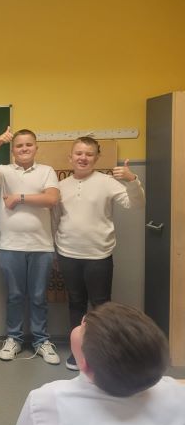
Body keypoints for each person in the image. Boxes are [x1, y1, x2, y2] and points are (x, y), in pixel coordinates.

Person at [5, 302, 185, 425]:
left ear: (86, 364)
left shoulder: (45, 401)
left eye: (82, 328)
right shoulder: (179, 395)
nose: (82, 321)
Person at [53, 137, 145, 370]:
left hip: (99, 255)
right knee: (75, 303)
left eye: (89, 154)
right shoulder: (61, 186)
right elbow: (55, 220)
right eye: (79, 153)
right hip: (67, 253)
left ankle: (102, 354)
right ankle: (78, 352)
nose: (83, 158)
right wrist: (55, 250)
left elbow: (135, 204)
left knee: (101, 306)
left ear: (96, 158)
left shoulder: (107, 182)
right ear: (70, 157)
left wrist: (132, 180)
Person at [0, 127, 60, 364]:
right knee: (15, 296)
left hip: (41, 246)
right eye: (19, 146)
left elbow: (52, 198)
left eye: (28, 145)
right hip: (10, 245)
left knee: (38, 296)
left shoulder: (46, 171)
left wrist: (19, 198)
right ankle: (14, 338)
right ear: (13, 150)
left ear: (36, 147)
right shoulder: (4, 172)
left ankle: (41, 340)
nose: (24, 149)